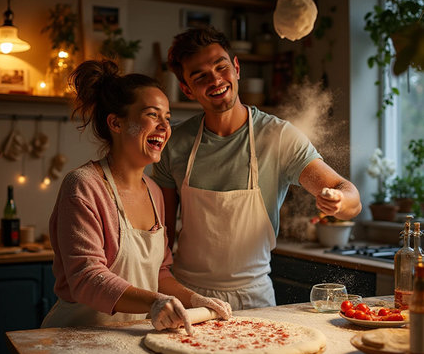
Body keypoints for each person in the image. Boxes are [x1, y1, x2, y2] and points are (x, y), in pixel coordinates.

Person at [152, 26, 362, 310]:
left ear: (236, 68)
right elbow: (161, 233)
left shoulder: (278, 137)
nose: (215, 79)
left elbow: (349, 196)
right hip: (189, 297)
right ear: (187, 89)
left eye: (221, 67)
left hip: (254, 297)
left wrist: (339, 201)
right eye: (200, 76)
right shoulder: (174, 143)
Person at [41, 59, 231, 332]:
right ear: (116, 123)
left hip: (129, 338)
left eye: (167, 118)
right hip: (77, 337)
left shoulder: (154, 191)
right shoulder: (83, 186)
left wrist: (194, 299)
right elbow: (86, 278)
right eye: (152, 115)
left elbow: (159, 274)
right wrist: (155, 302)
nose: (165, 127)